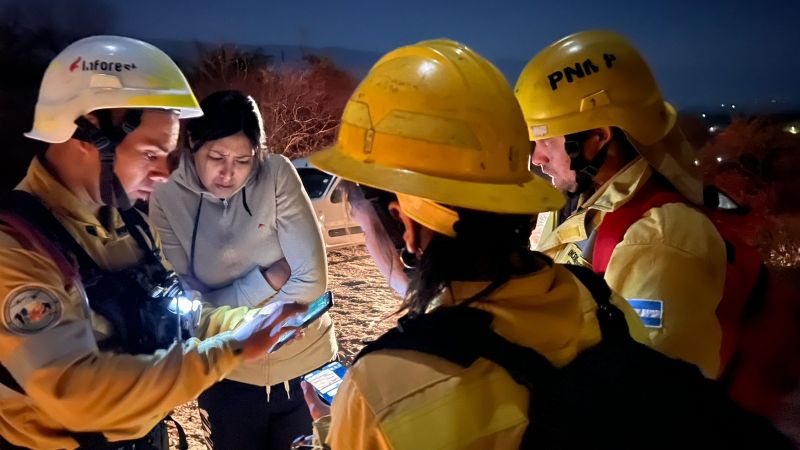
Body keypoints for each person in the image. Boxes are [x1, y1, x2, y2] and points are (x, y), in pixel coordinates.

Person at [299, 38, 650, 449]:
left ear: (404, 225)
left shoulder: (380, 388)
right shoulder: (597, 300)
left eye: (362, 215)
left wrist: (337, 431)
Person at [0, 35, 307, 450]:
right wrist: (230, 350)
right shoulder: (17, 245)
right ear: (85, 134)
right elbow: (75, 396)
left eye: (169, 155)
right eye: (150, 154)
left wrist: (247, 324)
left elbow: (175, 313)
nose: (165, 173)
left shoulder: (130, 224)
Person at [514, 30, 727, 378]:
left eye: (546, 140)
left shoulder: (661, 240)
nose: (536, 159)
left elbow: (653, 400)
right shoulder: (576, 201)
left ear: (598, 137)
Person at [149, 90, 337, 449]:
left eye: (243, 160)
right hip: (229, 374)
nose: (228, 173)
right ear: (192, 145)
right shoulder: (166, 196)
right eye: (216, 156)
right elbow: (186, 303)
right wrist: (267, 279)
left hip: (306, 363)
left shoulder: (277, 174)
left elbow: (312, 280)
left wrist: (244, 317)